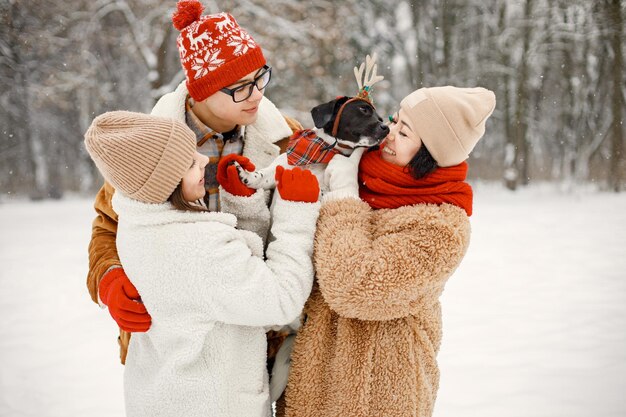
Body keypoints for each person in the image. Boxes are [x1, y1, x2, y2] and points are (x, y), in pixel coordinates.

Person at [86, 0, 302, 364]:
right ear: (201, 90)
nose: (257, 95)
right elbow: (109, 224)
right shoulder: (149, 147)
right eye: (239, 88)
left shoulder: (287, 139)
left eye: (260, 78)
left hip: (263, 336)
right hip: (175, 346)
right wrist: (108, 278)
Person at [84, 111, 320, 417]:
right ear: (163, 183)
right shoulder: (198, 247)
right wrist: (296, 212)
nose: (203, 160)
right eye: (190, 163)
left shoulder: (139, 219)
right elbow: (280, 300)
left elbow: (224, 276)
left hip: (166, 396)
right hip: (214, 404)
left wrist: (241, 204)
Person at [281, 86, 496, 417]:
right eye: (394, 120)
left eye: (404, 132)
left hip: (377, 396)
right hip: (313, 384)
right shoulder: (362, 174)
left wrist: (343, 199)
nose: (387, 133)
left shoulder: (440, 226)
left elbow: (354, 286)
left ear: (430, 154)